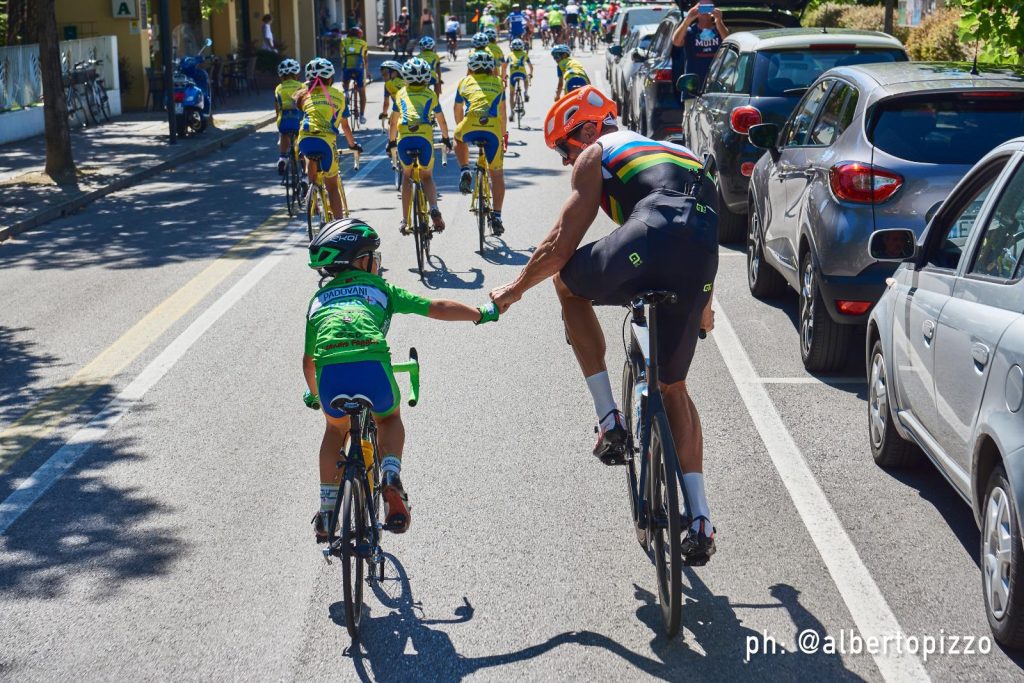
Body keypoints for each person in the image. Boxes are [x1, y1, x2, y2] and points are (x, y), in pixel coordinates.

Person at [488, 86, 719, 564]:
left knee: (568, 285)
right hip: (701, 253)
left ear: (589, 129)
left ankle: (610, 419)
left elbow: (560, 245)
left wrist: (513, 290)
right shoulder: (684, 153)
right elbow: (704, 229)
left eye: (564, 148)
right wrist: (706, 305)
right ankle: (700, 519)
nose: (566, 159)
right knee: (675, 386)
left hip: (649, 233)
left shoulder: (599, 152)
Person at [303, 218, 499, 539]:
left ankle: (327, 512)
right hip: (373, 368)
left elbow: (308, 361)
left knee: (335, 432)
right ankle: (390, 474)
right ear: (361, 261)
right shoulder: (380, 289)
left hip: (331, 374)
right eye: (373, 257)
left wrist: (314, 395)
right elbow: (436, 306)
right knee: (389, 418)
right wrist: (482, 313)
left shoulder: (318, 301)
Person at [388, 58, 452, 234]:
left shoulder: (400, 93)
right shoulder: (430, 94)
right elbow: (442, 120)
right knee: (427, 177)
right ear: (426, 79)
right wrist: (446, 138)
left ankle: (404, 220)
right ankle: (433, 207)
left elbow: (393, 123)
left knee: (406, 176)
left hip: (405, 138)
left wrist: (391, 142)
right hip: (424, 139)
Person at [294, 57, 364, 219]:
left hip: (304, 140)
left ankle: (312, 189)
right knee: (332, 186)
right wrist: (352, 145)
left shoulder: (303, 95)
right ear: (331, 79)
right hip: (325, 142)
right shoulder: (338, 95)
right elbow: (345, 126)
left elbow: (302, 120)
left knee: (310, 156)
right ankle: (339, 226)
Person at [454, 51, 508, 236]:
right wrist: (503, 136)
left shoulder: (463, 82)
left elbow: (457, 109)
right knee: (497, 175)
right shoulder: (499, 83)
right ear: (491, 68)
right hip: (492, 129)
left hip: (470, 125)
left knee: (457, 138)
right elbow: (502, 114)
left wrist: (460, 127)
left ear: (470, 68)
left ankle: (465, 170)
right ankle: (497, 216)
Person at [671, 1, 729, 92]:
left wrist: (719, 21)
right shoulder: (690, 31)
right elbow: (676, 42)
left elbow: (728, 41)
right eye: (702, 8)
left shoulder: (720, 30)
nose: (705, 11)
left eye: (709, 7)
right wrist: (687, 20)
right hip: (692, 87)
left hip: (716, 87)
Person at [274, 59, 304, 175]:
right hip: (298, 120)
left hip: (284, 120)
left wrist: (278, 121)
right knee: (302, 139)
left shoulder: (278, 88)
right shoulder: (301, 86)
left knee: (283, 134)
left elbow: (277, 109)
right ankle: (305, 174)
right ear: (296, 74)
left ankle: (283, 158)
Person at [339, 27, 369, 124]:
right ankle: (362, 116)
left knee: (345, 79)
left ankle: (346, 92)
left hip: (347, 67)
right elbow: (365, 59)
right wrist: (367, 72)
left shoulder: (344, 42)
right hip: (359, 68)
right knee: (362, 92)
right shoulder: (363, 43)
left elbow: (342, 55)